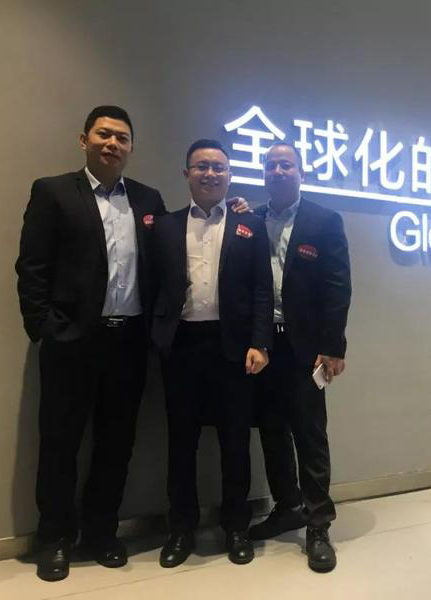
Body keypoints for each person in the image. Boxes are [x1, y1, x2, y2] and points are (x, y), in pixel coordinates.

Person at [16, 106, 166, 581]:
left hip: (129, 342)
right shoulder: (53, 192)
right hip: (71, 341)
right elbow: (32, 267)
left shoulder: (148, 200)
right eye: (104, 134)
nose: (113, 143)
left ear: (131, 147)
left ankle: (102, 532)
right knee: (60, 443)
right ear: (84, 140)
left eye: (122, 137)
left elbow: (169, 258)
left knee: (116, 443)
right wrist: (44, 328)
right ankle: (55, 538)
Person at [151, 139, 273, 568]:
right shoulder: (165, 226)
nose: (210, 174)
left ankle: (236, 527)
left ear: (229, 175)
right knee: (180, 442)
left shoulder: (249, 224)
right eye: (201, 167)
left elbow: (262, 289)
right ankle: (181, 529)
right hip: (182, 346)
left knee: (235, 441)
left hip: (233, 349)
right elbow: (152, 286)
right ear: (187, 174)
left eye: (219, 167)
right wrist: (158, 336)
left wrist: (260, 342)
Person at [250, 142, 352, 573]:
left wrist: (333, 347)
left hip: (306, 349)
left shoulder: (324, 221)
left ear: (300, 172)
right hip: (263, 347)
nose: (278, 170)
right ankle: (287, 507)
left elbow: (337, 287)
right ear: (264, 174)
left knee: (310, 435)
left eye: (286, 164)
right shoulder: (252, 219)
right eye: (271, 165)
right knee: (271, 432)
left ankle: (318, 524)